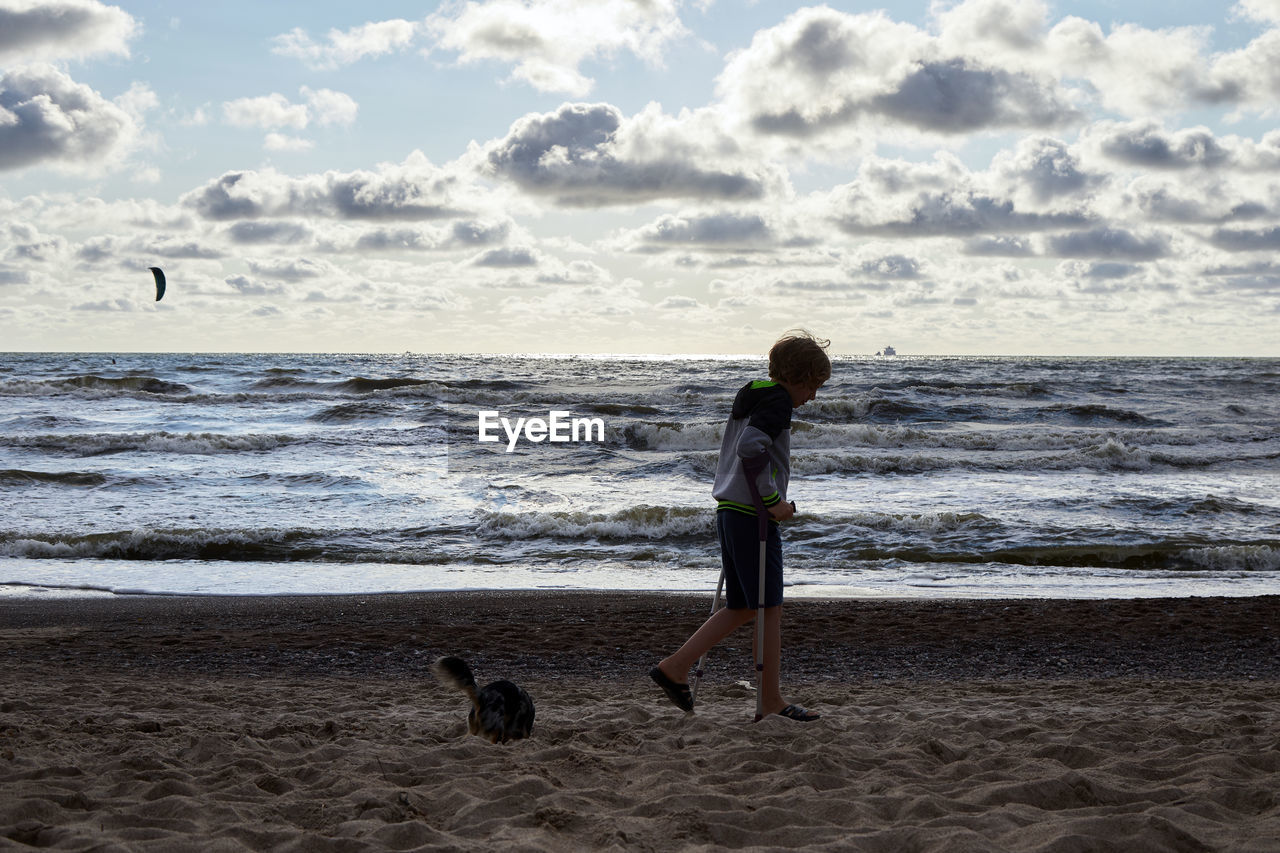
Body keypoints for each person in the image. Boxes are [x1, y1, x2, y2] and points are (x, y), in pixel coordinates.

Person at [650, 329, 831, 721]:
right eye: (812, 386)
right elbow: (750, 446)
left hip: (729, 509)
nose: (812, 397)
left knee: (747, 606)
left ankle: (681, 669)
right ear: (797, 376)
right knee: (766, 609)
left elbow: (741, 445)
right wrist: (773, 503)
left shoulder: (754, 390)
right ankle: (755, 695)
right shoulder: (779, 401)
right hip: (752, 515)